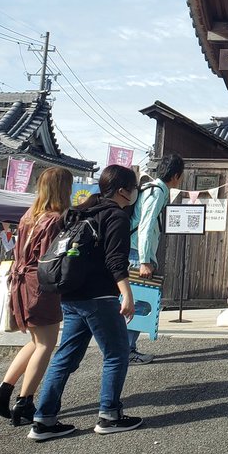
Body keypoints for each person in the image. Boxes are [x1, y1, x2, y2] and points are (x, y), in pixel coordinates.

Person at [29, 164, 142, 440]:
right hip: (100, 296)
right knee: (116, 353)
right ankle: (110, 415)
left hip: (71, 294)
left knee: (65, 355)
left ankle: (44, 419)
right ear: (123, 191)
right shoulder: (116, 216)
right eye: (134, 187)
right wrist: (126, 293)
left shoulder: (80, 212)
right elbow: (115, 260)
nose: (136, 192)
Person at [0, 167, 72, 426]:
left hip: (21, 281)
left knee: (36, 341)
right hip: (41, 283)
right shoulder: (57, 219)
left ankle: (3, 390)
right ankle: (25, 402)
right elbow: (52, 257)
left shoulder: (28, 217)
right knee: (46, 344)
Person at [128, 153, 184, 364]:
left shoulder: (153, 188)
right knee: (138, 304)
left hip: (134, 250)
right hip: (136, 253)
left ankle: (126, 348)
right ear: (176, 175)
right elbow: (146, 225)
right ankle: (127, 350)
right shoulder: (158, 191)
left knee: (134, 302)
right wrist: (144, 260)